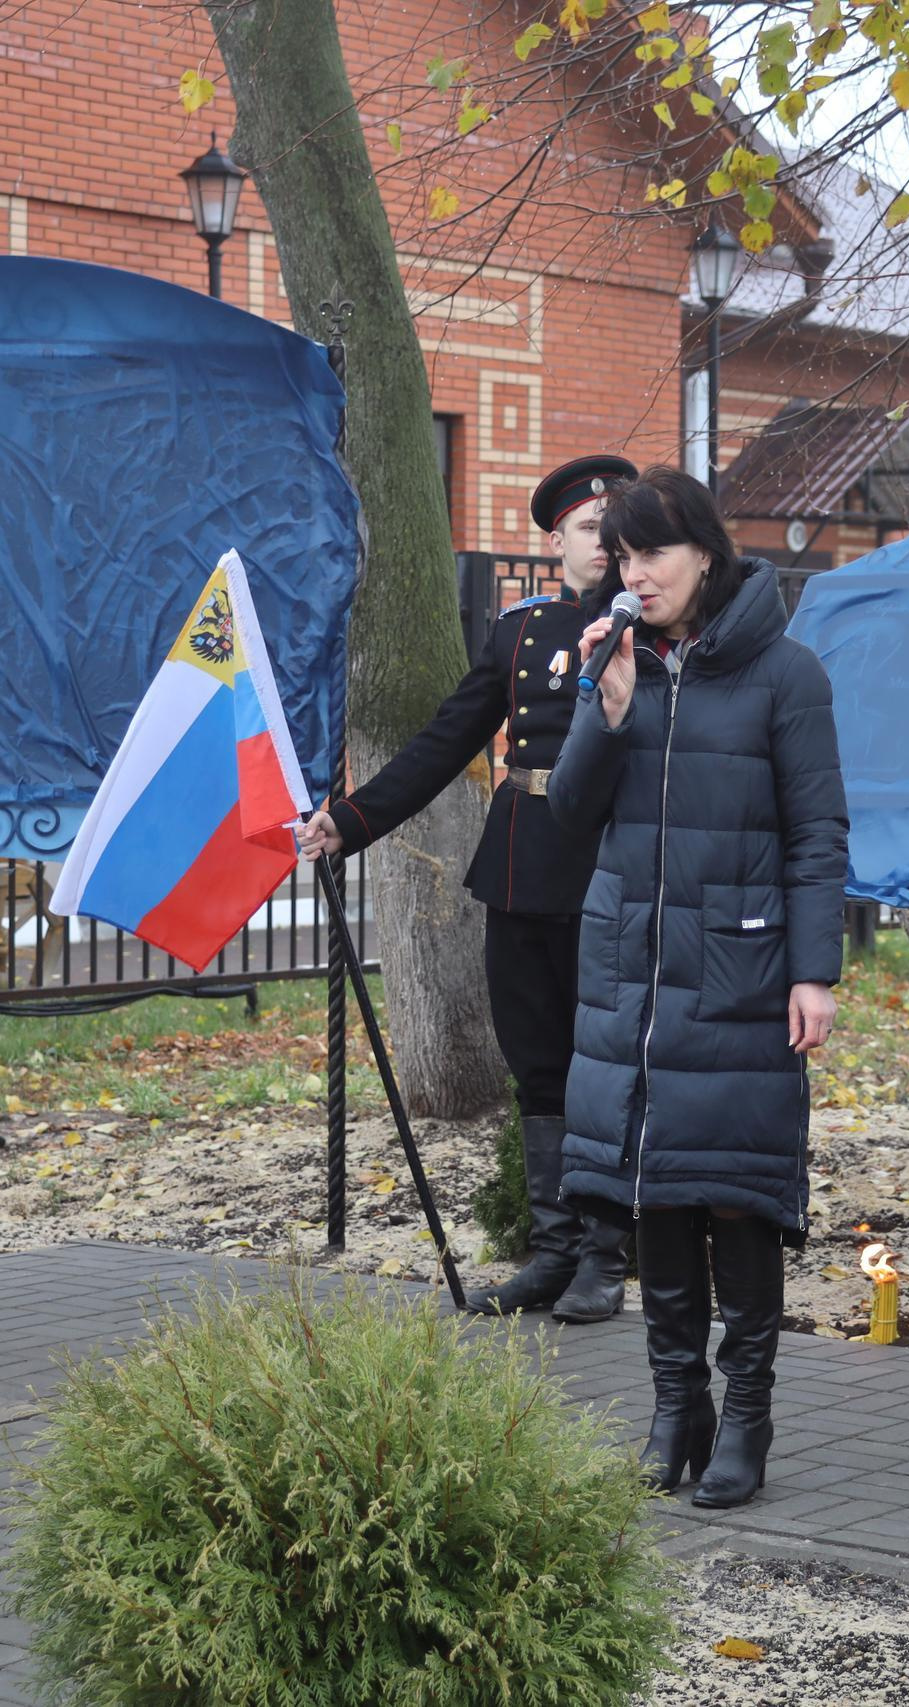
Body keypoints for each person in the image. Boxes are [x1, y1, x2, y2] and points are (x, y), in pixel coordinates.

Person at [547, 466, 847, 1510]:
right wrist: (606, 708)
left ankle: (747, 1413)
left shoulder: (785, 673)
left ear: (706, 554)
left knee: (737, 1194)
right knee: (654, 1191)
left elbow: (817, 835)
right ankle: (675, 1407)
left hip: (742, 971)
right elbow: (569, 814)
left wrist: (815, 970)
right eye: (621, 556)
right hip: (634, 970)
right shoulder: (621, 664)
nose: (635, 573)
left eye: (653, 553)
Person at [295, 453, 638, 1323]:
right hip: (521, 867)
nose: (607, 543)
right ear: (557, 536)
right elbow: (447, 739)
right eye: (591, 528)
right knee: (539, 1070)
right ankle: (554, 1250)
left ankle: (607, 1252)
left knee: (605, 1072)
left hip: (610, 871)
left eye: (620, 527)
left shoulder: (654, 630)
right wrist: (353, 818)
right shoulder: (519, 631)